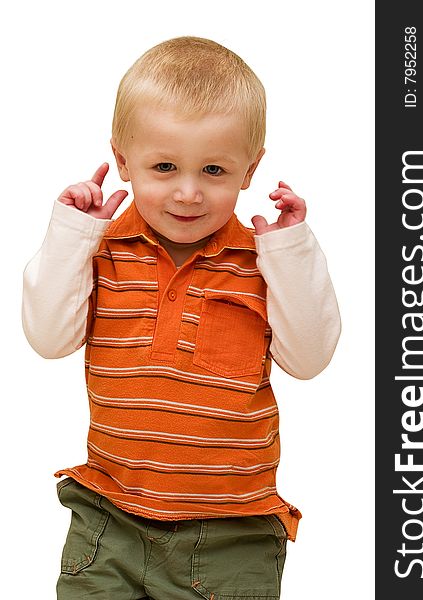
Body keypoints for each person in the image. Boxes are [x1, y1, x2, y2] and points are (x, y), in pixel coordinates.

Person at [22, 36, 341, 600]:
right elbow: (48, 339)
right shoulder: (100, 249)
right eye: (164, 166)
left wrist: (291, 254)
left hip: (230, 535)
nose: (188, 192)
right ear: (122, 161)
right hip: (109, 518)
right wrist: (73, 234)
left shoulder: (264, 261)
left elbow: (310, 360)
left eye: (214, 169)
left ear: (250, 169)